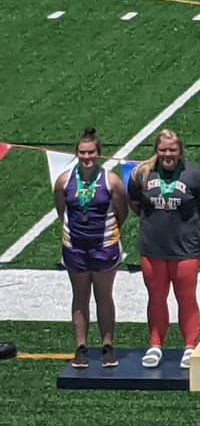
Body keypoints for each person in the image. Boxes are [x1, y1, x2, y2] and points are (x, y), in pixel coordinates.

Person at [128, 130, 200, 369]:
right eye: (163, 149)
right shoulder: (141, 174)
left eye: (172, 150)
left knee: (186, 297)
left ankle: (190, 345)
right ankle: (156, 345)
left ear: (180, 151)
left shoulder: (196, 175)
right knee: (156, 297)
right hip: (152, 248)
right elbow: (135, 204)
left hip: (185, 248)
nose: (167, 154)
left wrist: (189, 227)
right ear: (156, 150)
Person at [53, 128, 128, 369]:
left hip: (104, 246)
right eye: (83, 153)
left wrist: (107, 233)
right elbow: (62, 210)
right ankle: (81, 347)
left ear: (99, 153)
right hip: (75, 247)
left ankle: (107, 346)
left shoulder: (111, 181)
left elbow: (122, 212)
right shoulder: (64, 181)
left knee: (104, 297)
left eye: (91, 152)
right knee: (80, 297)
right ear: (77, 153)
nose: (87, 157)